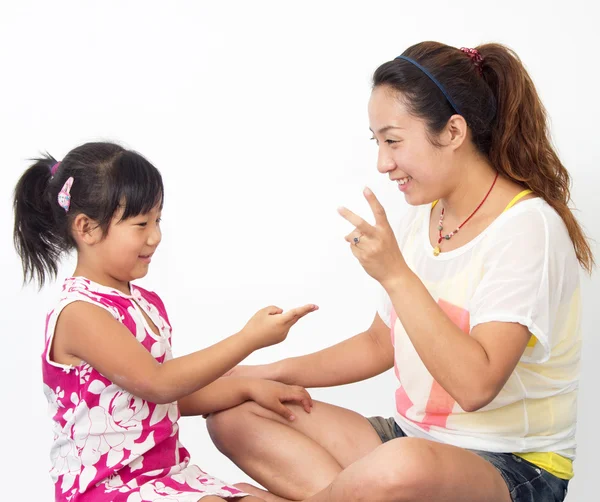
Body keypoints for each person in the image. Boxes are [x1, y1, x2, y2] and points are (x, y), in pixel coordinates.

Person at [207, 42, 593, 502]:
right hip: (409, 441)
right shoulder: (425, 218)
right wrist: (269, 373)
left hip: (511, 464)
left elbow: (475, 387)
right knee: (237, 412)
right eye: (378, 143)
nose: (382, 163)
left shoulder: (528, 228)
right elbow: (379, 342)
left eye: (393, 141)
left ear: (453, 132)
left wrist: (395, 275)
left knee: (400, 467)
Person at [13, 141, 318, 501]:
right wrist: (248, 338)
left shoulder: (143, 303)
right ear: (87, 228)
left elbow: (162, 399)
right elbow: (158, 384)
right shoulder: (81, 311)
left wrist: (246, 388)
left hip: (167, 476)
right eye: (141, 224)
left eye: (158, 220)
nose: (155, 236)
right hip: (107, 488)